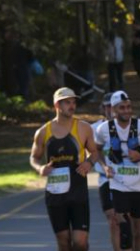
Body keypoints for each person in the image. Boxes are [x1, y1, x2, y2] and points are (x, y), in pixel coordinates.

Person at [30, 88, 100, 251]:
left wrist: (89, 163)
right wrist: (39, 168)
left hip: (78, 190)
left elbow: (95, 152)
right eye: (67, 102)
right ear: (57, 105)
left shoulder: (83, 128)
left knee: (80, 241)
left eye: (73, 102)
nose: (72, 106)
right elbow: (34, 157)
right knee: (63, 241)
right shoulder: (42, 132)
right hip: (55, 193)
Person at [95, 90, 140, 251]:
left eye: (129, 107)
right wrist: (105, 167)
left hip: (139, 185)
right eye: (122, 108)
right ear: (114, 110)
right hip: (118, 185)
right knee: (124, 231)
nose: (126, 111)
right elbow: (95, 150)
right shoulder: (103, 129)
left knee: (138, 231)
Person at [92, 93, 121, 251]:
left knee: (129, 221)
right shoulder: (94, 128)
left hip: (128, 179)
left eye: (112, 105)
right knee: (113, 219)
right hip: (106, 180)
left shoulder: (129, 126)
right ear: (102, 108)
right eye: (107, 106)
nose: (110, 109)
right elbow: (89, 153)